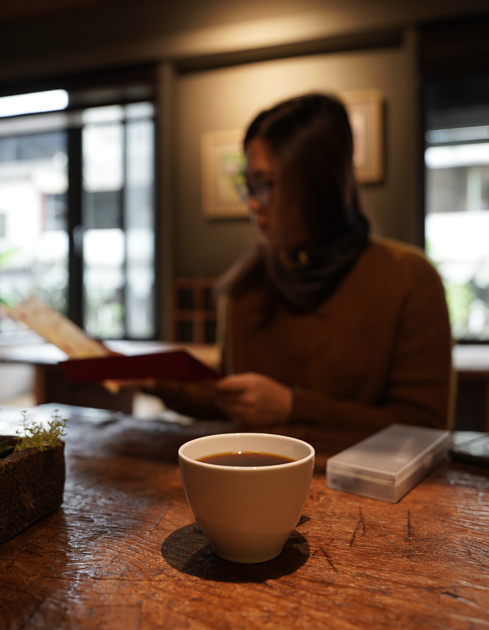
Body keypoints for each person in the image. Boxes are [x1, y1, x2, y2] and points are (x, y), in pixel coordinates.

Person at [149, 92, 453, 430]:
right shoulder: (249, 282)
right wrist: (148, 377)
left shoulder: (408, 279)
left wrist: (295, 407)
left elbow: (422, 426)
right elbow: (230, 400)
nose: (252, 204)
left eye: (265, 185)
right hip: (257, 474)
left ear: (317, 183)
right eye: (248, 186)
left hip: (361, 481)